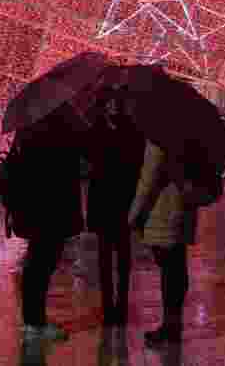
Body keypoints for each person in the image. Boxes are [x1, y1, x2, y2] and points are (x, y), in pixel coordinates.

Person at [10, 101, 87, 342]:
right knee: (41, 263)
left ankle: (34, 320)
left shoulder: (29, 126)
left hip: (38, 208)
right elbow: (70, 164)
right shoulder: (52, 128)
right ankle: (35, 323)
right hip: (49, 208)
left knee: (38, 262)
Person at [128, 140, 200, 346]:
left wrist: (133, 216)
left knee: (170, 272)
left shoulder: (160, 137)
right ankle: (173, 327)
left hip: (163, 210)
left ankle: (170, 328)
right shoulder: (189, 132)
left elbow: (148, 180)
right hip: (185, 207)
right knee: (177, 269)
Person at [85, 81, 145, 325]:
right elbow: (89, 157)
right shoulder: (98, 130)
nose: (113, 107)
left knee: (120, 253)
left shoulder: (129, 130)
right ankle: (110, 303)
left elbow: (136, 161)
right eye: (109, 103)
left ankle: (119, 303)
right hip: (107, 198)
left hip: (118, 197)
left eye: (116, 102)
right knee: (108, 254)